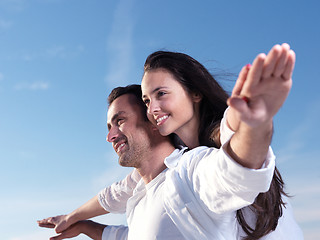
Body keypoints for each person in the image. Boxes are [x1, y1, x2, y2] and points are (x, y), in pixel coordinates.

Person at [38, 44, 303, 239]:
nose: (153, 108)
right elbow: (117, 199)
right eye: (146, 100)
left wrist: (252, 124)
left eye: (161, 93)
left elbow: (234, 168)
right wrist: (78, 221)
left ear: (195, 93)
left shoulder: (196, 163)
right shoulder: (154, 180)